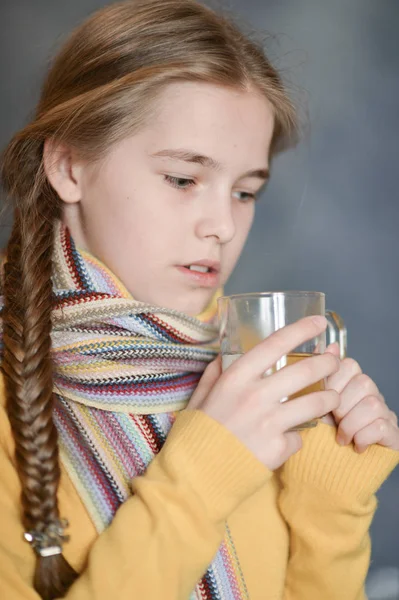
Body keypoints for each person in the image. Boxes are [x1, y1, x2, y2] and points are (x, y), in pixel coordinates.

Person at [0, 1, 398, 599]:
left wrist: (329, 505)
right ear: (69, 166)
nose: (222, 225)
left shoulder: (260, 389)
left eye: (244, 191)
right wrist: (207, 471)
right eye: (184, 178)